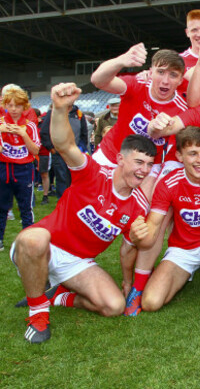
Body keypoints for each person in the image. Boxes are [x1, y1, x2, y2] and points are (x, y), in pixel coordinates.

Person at [11, 82, 156, 344]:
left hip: (77, 262)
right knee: (33, 239)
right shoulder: (92, 173)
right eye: (138, 162)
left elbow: (128, 248)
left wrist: (127, 282)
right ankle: (38, 313)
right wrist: (59, 108)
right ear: (121, 159)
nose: (144, 170)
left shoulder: (137, 205)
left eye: (149, 165)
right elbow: (65, 144)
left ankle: (56, 296)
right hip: (47, 247)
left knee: (113, 306)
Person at [125, 126, 200, 315]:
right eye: (192, 154)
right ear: (179, 156)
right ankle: (140, 287)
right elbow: (155, 225)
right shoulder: (169, 183)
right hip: (183, 248)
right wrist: (138, 236)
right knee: (151, 302)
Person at [90, 44, 189, 196]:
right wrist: (121, 60)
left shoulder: (182, 108)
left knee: (138, 214)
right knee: (86, 200)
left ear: (181, 80)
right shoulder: (138, 84)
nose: (165, 81)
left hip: (146, 169)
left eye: (173, 75)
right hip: (110, 155)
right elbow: (98, 80)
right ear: (151, 72)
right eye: (160, 72)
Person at [0, 88, 40, 252]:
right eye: (11, 105)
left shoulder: (29, 125)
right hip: (4, 169)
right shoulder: (1, 122)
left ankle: (27, 240)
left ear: (25, 107)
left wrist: (24, 135)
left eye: (18, 105)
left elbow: (36, 151)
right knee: (1, 207)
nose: (14, 109)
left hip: (24, 169)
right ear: (5, 105)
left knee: (26, 208)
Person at [40, 97, 87, 198]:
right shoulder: (53, 113)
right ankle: (63, 202)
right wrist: (51, 148)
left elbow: (84, 134)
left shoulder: (79, 114)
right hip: (59, 153)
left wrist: (81, 149)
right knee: (62, 178)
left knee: (75, 178)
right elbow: (44, 132)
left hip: (75, 153)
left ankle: (75, 201)